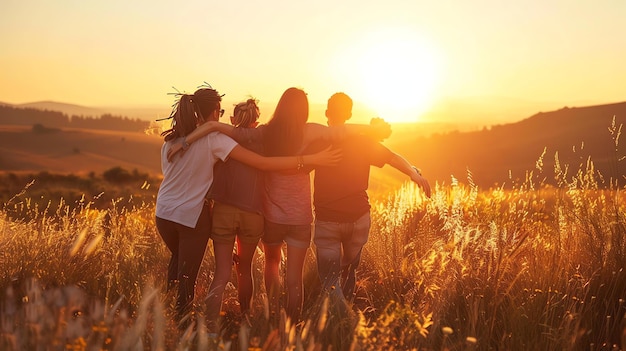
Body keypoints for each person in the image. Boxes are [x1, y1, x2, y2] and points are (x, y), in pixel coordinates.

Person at [167, 87, 390, 325]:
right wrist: (372, 130)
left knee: (268, 266)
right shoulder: (310, 131)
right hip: (300, 217)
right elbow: (342, 132)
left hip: (271, 217)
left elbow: (215, 127)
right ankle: (290, 328)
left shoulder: (264, 133)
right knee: (294, 280)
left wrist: (185, 141)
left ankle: (263, 316)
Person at [310, 92, 431, 304]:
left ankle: (342, 322)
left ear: (327, 113)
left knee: (330, 280)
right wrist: (413, 173)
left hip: (327, 218)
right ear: (348, 114)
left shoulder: (318, 140)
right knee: (349, 269)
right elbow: (393, 158)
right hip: (359, 218)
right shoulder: (363, 141)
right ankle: (349, 306)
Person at [204, 98, 265, 331]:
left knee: (221, 273)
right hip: (253, 213)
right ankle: (246, 319)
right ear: (256, 121)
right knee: (245, 270)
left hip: (223, 212)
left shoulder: (222, 141)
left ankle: (210, 328)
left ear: (231, 120)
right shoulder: (263, 144)